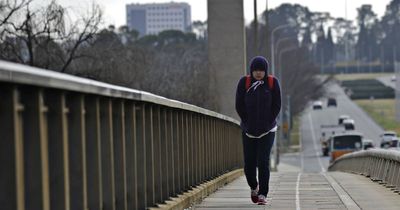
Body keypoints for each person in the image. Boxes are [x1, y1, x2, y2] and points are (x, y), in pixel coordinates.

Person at [235, 56, 281, 205]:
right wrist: (246, 121)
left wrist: (268, 122)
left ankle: (263, 194)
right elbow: (239, 105)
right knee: (249, 164)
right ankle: (254, 187)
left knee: (263, 161)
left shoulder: (272, 83)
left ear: (265, 70)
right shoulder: (244, 83)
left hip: (268, 130)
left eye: (261, 70)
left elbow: (277, 105)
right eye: (256, 70)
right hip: (248, 129)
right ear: (251, 70)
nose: (259, 73)